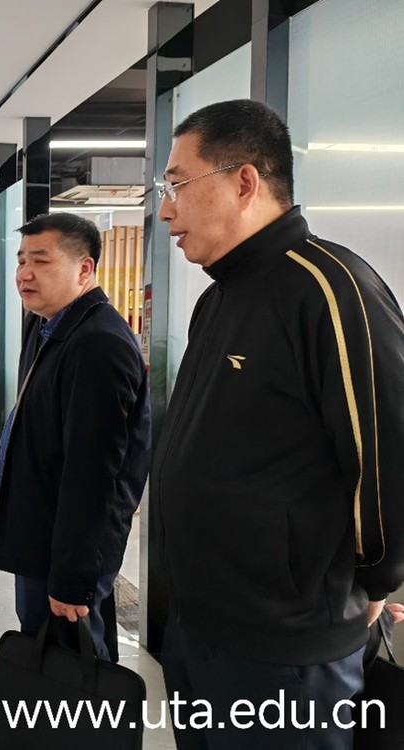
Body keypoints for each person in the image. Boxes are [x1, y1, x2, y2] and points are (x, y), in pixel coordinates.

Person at [153, 98, 404, 749]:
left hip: (284, 651)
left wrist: (377, 579)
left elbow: (389, 452)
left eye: (177, 185)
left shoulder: (331, 288)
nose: (166, 211)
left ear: (244, 181)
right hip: (201, 626)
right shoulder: (218, 299)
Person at [0, 212, 151, 661]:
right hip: (44, 531)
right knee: (51, 658)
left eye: (40, 261)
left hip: (67, 549)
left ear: (84, 268)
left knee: (72, 667)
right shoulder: (48, 326)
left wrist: (73, 577)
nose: (24, 273)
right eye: (21, 261)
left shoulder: (97, 343)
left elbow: (93, 475)